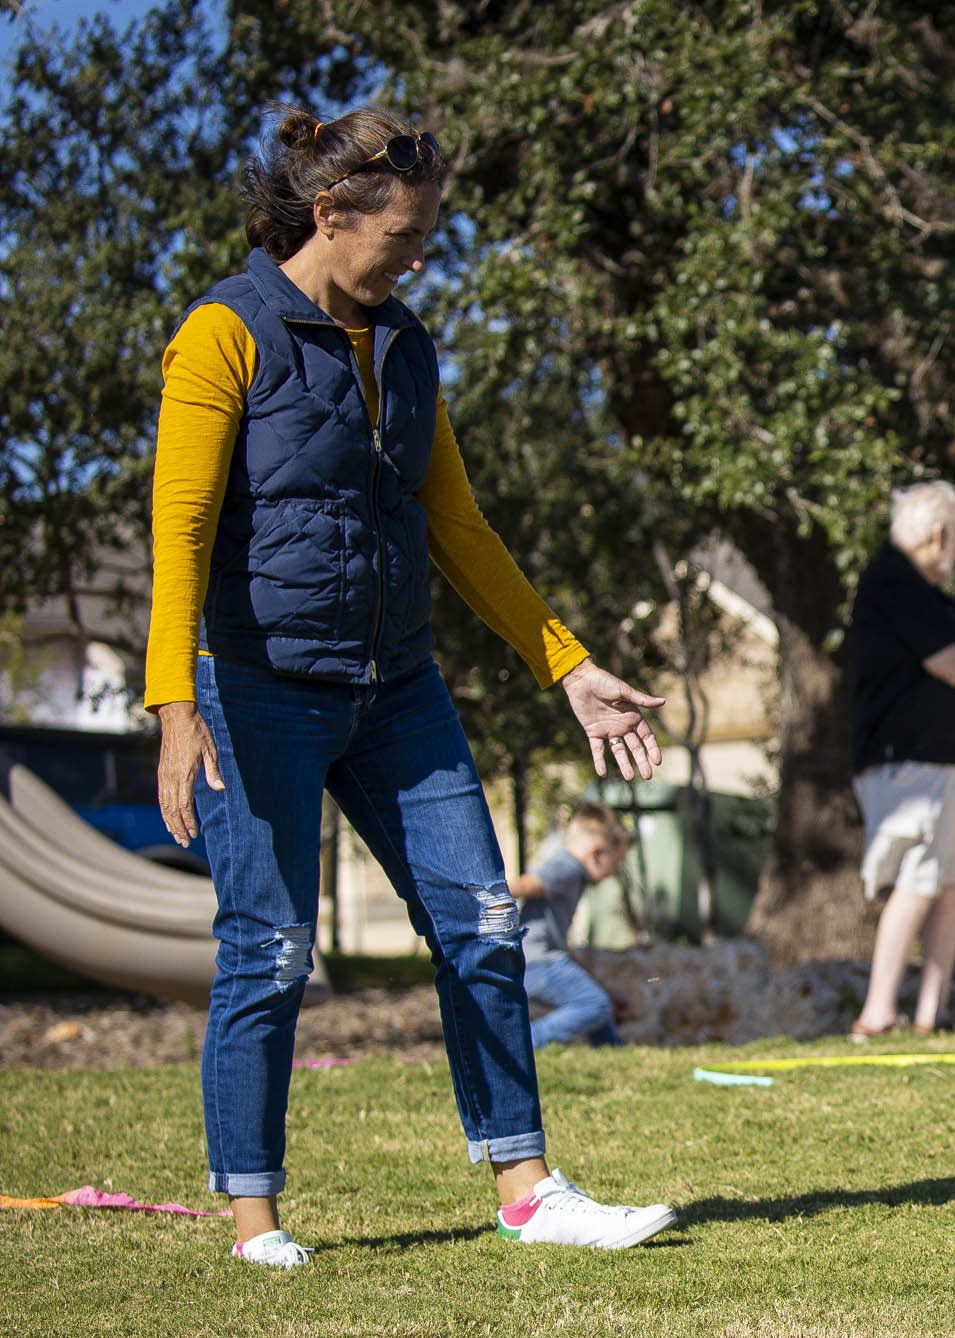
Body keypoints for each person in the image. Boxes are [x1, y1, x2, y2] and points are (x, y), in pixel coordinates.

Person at [148, 107, 678, 1267]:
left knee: (485, 920)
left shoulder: (408, 343)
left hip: (398, 689)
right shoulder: (223, 333)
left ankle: (529, 1187)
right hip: (253, 685)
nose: (421, 254)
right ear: (330, 215)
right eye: (407, 232)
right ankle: (255, 1220)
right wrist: (172, 705)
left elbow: (459, 526)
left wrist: (570, 666)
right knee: (271, 946)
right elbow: (181, 525)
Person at [847, 481, 955, 1039]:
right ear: (938, 534)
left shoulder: (930, 594)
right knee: (918, 880)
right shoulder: (896, 580)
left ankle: (930, 1015)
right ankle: (878, 1014)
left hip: (947, 763)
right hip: (912, 763)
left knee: (952, 884)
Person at [512, 803, 632, 1048]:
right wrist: (486, 898)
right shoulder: (568, 866)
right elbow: (525, 885)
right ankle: (521, 1043)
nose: (613, 873)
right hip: (537, 962)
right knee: (595, 1004)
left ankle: (611, 1048)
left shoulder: (572, 873)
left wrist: (604, 991)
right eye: (616, 863)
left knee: (598, 1000)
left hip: (540, 960)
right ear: (597, 853)